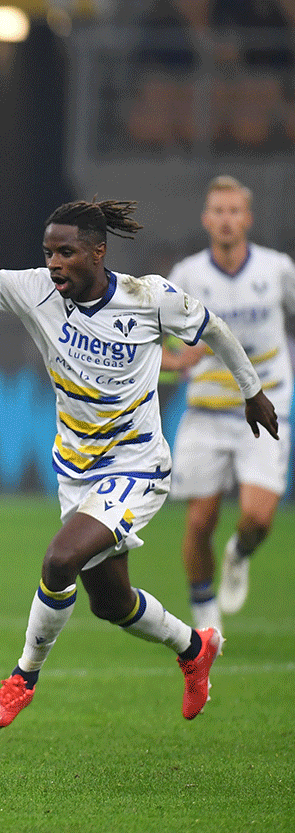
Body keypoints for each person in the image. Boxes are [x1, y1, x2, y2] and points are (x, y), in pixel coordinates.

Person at [0, 174, 279, 727]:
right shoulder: (37, 290)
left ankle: (21, 680)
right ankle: (193, 649)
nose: (54, 263)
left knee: (59, 559)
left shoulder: (148, 298)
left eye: (66, 252)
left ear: (98, 252)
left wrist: (252, 391)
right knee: (112, 602)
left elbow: (217, 330)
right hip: (77, 472)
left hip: (137, 468)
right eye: (48, 252)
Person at [161, 175, 295, 635]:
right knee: (200, 521)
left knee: (258, 516)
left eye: (234, 211)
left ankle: (239, 553)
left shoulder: (277, 270)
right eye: (218, 211)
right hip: (205, 412)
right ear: (206, 219)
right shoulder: (187, 276)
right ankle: (205, 617)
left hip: (266, 407)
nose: (226, 219)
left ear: (248, 219)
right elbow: (153, 340)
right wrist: (178, 361)